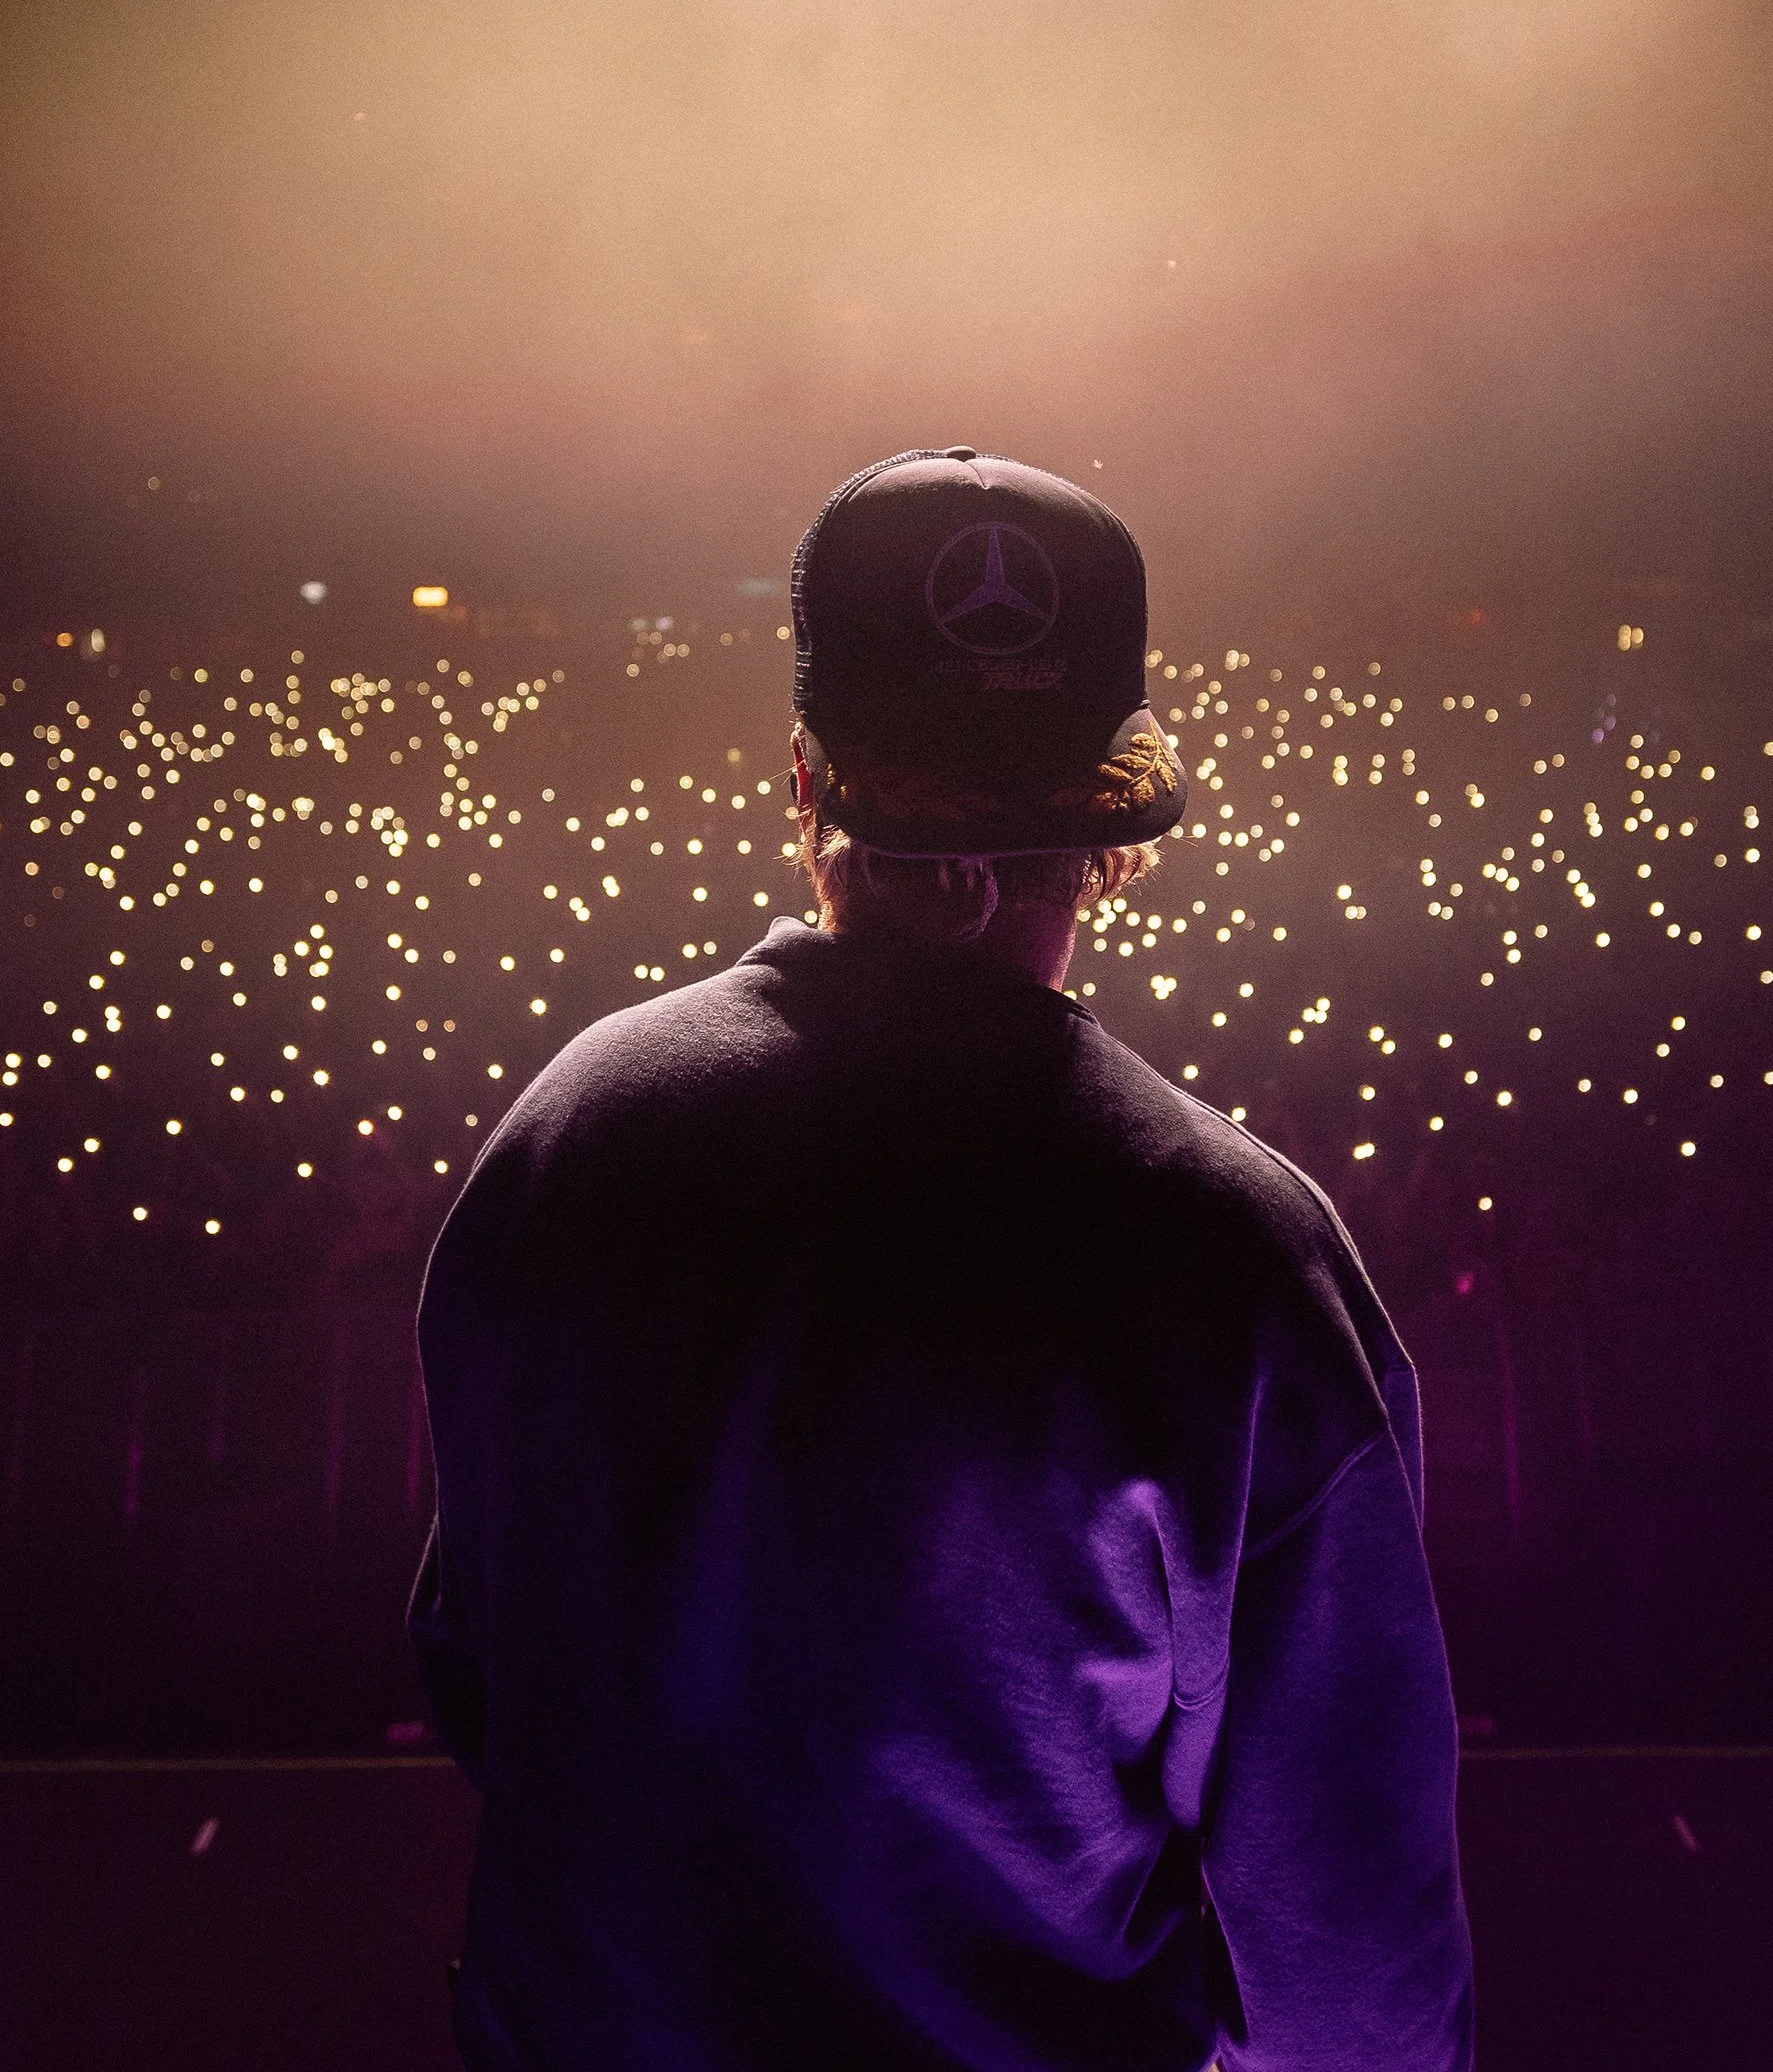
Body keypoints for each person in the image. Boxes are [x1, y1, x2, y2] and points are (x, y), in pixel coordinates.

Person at [410, 449, 1474, 2071]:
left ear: (804, 781)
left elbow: (482, 1673)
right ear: (1111, 822)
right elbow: (1343, 1927)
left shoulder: (567, 1141)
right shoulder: (1238, 1253)